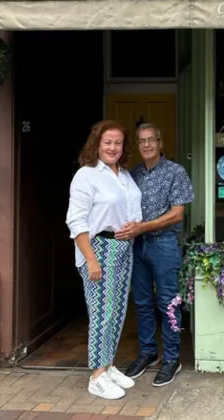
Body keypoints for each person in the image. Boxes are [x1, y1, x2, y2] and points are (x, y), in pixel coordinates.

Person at [65, 120, 142, 400]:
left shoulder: (123, 175)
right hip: (99, 247)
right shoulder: (86, 176)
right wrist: (91, 259)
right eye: (107, 142)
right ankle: (96, 375)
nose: (112, 147)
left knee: (118, 311)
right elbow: (76, 221)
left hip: (123, 247)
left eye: (118, 143)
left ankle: (108, 365)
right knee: (101, 313)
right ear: (96, 144)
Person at [116, 122, 194, 387]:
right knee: (142, 302)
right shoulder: (132, 174)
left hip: (164, 244)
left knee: (168, 302)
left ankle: (171, 358)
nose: (147, 145)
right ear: (137, 146)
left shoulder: (175, 172)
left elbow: (177, 213)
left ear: (160, 142)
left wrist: (143, 227)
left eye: (151, 140)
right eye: (141, 141)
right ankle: (148, 352)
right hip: (137, 247)